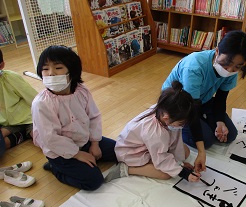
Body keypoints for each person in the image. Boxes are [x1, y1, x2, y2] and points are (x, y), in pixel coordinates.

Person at [162, 30, 246, 173]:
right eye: (227, 63)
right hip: (179, 104)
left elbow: (221, 98)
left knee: (230, 134)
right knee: (207, 141)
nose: (230, 70)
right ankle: (184, 129)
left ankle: (206, 122)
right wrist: (201, 151)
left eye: (238, 66)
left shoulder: (232, 71)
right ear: (217, 51)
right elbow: (191, 110)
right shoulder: (195, 66)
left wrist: (219, 121)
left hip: (203, 99)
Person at [31, 45, 117, 190]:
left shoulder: (81, 91)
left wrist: (95, 144)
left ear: (72, 71)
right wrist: (77, 154)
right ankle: (55, 168)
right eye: (45, 69)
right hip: (59, 151)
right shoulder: (41, 103)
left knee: (120, 150)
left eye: (58, 68)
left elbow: (94, 116)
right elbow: (50, 138)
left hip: (84, 140)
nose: (51, 74)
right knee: (94, 181)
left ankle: (86, 157)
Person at [104, 81, 201, 182]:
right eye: (181, 123)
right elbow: (161, 160)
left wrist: (179, 164)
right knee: (166, 174)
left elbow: (175, 142)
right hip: (131, 152)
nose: (183, 126)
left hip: (150, 145)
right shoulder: (155, 133)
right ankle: (127, 169)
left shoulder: (166, 111)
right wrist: (182, 172)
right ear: (166, 118)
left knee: (185, 151)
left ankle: (171, 164)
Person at [0, 49, 38, 158]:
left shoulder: (10, 78)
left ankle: (23, 133)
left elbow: (34, 99)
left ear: (1, 65)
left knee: (43, 141)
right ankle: (20, 135)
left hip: (26, 119)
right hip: (6, 122)